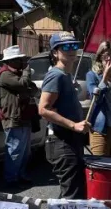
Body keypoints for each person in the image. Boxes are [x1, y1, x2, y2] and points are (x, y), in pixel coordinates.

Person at [38, 31, 89, 199]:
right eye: (65, 47)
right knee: (71, 197)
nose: (71, 49)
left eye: (74, 45)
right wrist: (73, 125)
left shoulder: (65, 76)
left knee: (73, 193)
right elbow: (43, 109)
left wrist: (80, 124)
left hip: (70, 141)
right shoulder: (55, 75)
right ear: (55, 52)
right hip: (61, 143)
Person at [0, 45, 37, 184]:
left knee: (25, 151)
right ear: (10, 61)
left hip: (24, 117)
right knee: (14, 150)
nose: (22, 62)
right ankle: (11, 179)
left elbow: (33, 89)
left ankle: (21, 175)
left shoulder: (17, 74)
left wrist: (28, 83)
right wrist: (26, 71)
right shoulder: (5, 75)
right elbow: (23, 84)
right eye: (19, 60)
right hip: (12, 118)